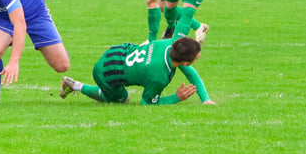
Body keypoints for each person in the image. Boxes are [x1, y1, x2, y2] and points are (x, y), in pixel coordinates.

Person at [59, 37, 215, 106]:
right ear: (186, 62)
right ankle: (76, 86)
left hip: (116, 52)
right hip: (107, 72)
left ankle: (75, 85)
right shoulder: (159, 77)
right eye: (197, 57)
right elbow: (146, 103)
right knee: (123, 99)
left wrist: (205, 99)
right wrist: (176, 97)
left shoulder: (170, 44)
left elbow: (190, 72)